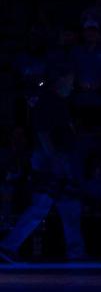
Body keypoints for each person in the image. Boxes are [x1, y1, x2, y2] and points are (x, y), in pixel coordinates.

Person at [0, 64, 85, 262]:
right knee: (42, 206)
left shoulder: (56, 102)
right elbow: (43, 131)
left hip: (57, 159)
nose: (72, 86)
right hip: (52, 161)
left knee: (70, 207)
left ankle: (77, 251)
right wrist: (55, 159)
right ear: (61, 81)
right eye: (70, 82)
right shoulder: (51, 101)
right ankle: (8, 245)